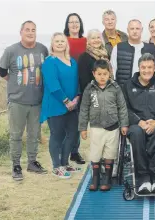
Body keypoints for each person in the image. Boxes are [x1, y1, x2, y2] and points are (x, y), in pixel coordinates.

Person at [0, 20, 48, 181]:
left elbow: (47, 70)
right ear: (21, 32)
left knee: (34, 134)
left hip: (36, 101)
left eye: (33, 30)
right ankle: (16, 165)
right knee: (16, 135)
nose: (30, 32)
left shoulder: (42, 49)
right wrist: (14, 83)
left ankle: (32, 162)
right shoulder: (11, 50)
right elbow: (1, 70)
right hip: (17, 101)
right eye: (27, 30)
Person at [122, 53, 155, 194]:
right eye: (143, 67)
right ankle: (143, 178)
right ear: (138, 67)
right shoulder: (128, 85)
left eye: (150, 67)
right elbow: (124, 108)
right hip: (137, 123)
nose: (146, 70)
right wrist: (139, 122)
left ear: (154, 67)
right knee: (136, 133)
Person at [79, 60, 129, 191]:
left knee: (110, 153)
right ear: (94, 74)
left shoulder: (115, 88)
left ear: (109, 74)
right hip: (96, 127)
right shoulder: (89, 89)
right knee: (95, 153)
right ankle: (95, 178)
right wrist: (83, 128)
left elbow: (122, 107)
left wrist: (124, 124)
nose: (102, 77)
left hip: (113, 127)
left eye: (105, 74)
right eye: (99, 74)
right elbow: (84, 108)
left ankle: (106, 179)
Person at [40, 32, 81, 179]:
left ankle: (65, 163)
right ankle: (56, 167)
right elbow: (53, 85)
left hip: (72, 105)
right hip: (56, 104)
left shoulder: (73, 61)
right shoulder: (49, 62)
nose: (59, 43)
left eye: (62, 41)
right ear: (52, 44)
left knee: (72, 134)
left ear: (66, 44)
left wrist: (76, 98)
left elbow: (77, 81)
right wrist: (66, 101)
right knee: (57, 135)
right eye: (56, 41)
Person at [64, 13, 86, 164]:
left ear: (80, 24)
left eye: (76, 22)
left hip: (83, 82)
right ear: (67, 25)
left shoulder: (86, 41)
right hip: (68, 82)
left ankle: (74, 151)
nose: (74, 24)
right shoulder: (63, 41)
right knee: (67, 118)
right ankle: (64, 150)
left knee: (78, 118)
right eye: (71, 22)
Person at [110, 19, 155, 87]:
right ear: (127, 30)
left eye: (137, 28)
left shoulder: (151, 49)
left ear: (142, 30)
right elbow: (112, 73)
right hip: (123, 91)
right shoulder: (118, 48)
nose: (135, 31)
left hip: (145, 91)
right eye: (132, 28)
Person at [78, 29, 111, 94]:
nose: (96, 40)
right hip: (92, 95)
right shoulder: (84, 57)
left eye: (98, 37)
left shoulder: (106, 55)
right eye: (93, 38)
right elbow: (83, 81)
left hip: (107, 94)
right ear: (88, 41)